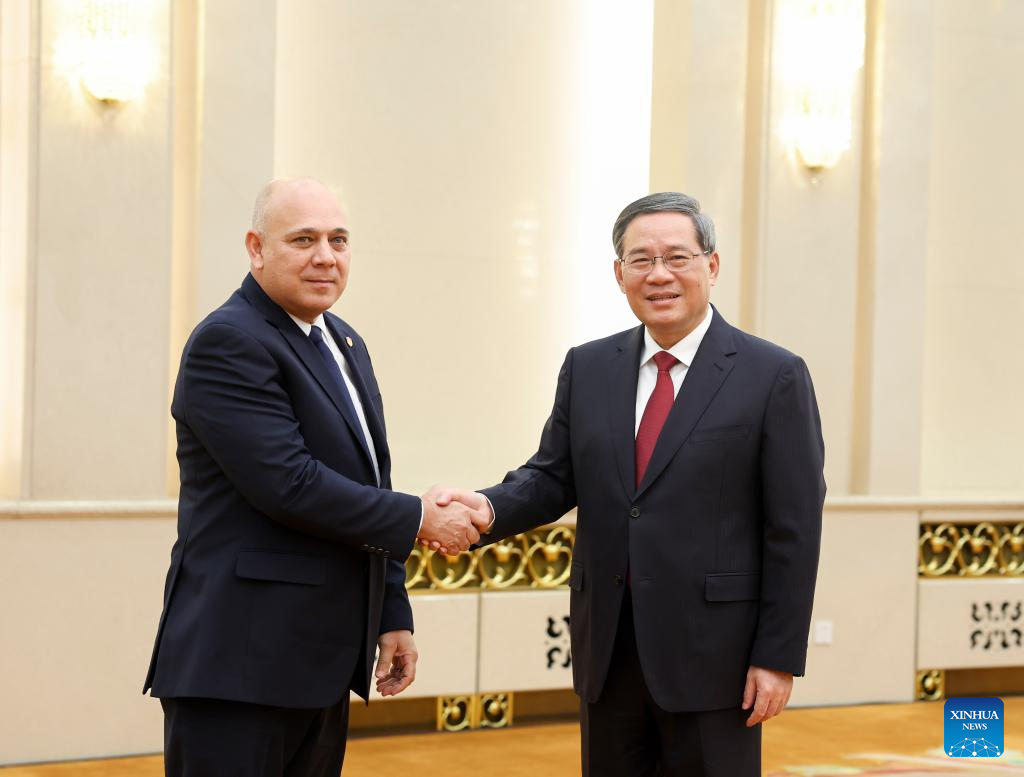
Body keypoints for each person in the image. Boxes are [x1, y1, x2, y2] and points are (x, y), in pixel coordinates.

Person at [431, 192, 825, 776]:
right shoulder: (588, 367)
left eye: (677, 257)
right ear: (620, 274)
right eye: (641, 260)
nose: (659, 274)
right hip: (609, 651)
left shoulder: (773, 375)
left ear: (712, 266)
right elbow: (552, 476)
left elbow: (793, 528)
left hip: (717, 658)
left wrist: (777, 655)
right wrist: (486, 508)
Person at [143, 178, 488, 776]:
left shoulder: (343, 341)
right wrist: (419, 518)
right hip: (239, 666)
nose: (325, 256)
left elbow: (370, 481)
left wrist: (391, 612)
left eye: (338, 240)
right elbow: (289, 484)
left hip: (319, 662)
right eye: (303, 240)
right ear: (256, 247)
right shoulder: (229, 340)